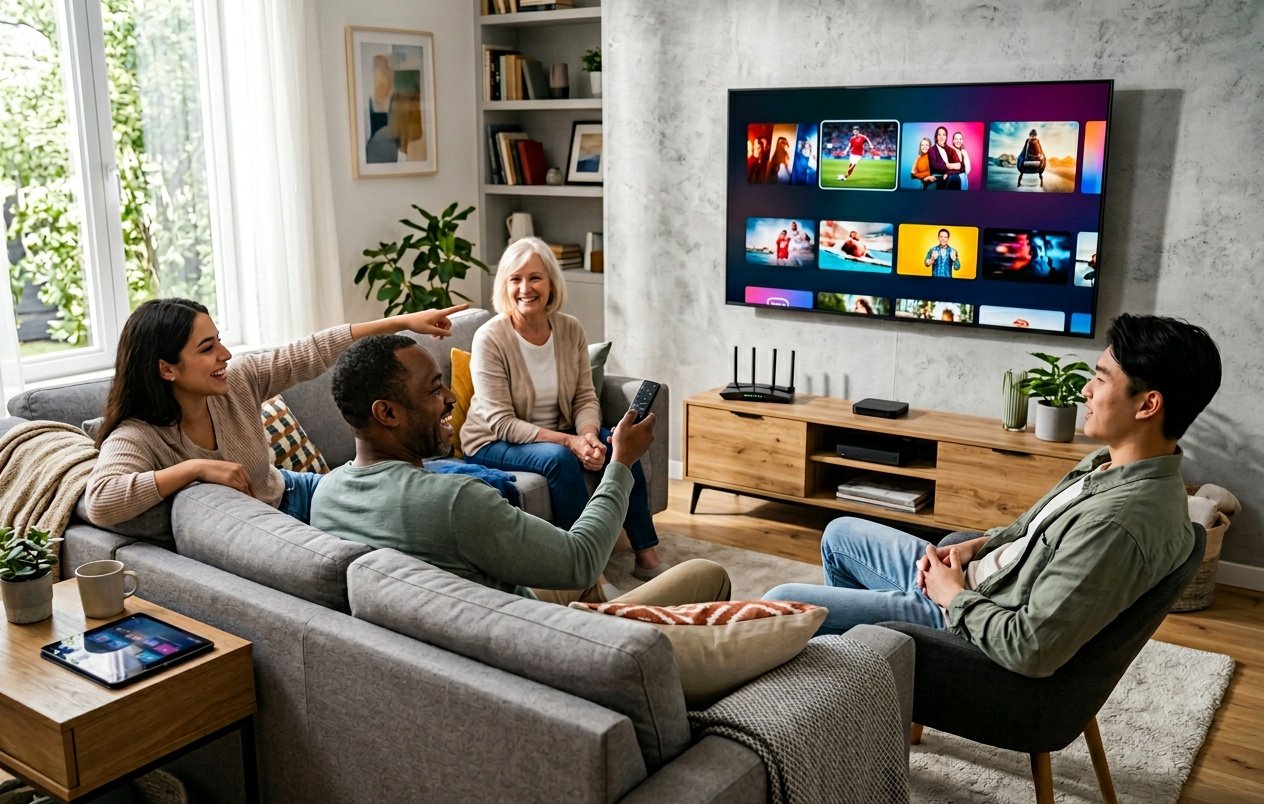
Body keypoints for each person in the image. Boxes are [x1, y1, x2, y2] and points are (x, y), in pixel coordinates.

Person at [765, 314, 1222, 677]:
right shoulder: (1110, 463)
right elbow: (1029, 532)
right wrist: (976, 545)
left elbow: (1031, 648)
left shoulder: (1119, 524)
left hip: (960, 622)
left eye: (1101, 380)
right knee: (840, 533)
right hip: (973, 580)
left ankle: (867, 676)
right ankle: (864, 679)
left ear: (1148, 404)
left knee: (778, 603)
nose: (1085, 389)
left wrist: (951, 596)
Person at [312, 335, 730, 604]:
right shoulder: (457, 500)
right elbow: (581, 559)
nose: (451, 399)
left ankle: (605, 617)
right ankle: (615, 637)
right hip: (534, 643)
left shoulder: (326, 496)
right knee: (708, 575)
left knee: (581, 582)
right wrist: (621, 461)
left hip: (472, 633)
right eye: (434, 388)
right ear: (386, 413)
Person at [84, 298, 467, 527]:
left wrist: (402, 322)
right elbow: (101, 501)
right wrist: (194, 468)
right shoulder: (138, 435)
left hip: (296, 489)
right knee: (424, 496)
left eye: (219, 340)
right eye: (207, 349)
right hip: (274, 525)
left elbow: (311, 351)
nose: (226, 355)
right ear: (166, 368)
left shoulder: (237, 382)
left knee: (457, 480)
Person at [461, 238, 667, 580]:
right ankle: (585, 570)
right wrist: (570, 443)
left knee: (621, 443)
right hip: (493, 442)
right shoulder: (490, 338)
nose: (525, 288)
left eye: (535, 278)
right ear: (505, 285)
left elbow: (585, 397)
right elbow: (501, 423)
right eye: (515, 279)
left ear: (552, 282)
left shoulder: (570, 329)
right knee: (559, 460)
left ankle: (646, 554)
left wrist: (587, 435)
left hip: (559, 431)